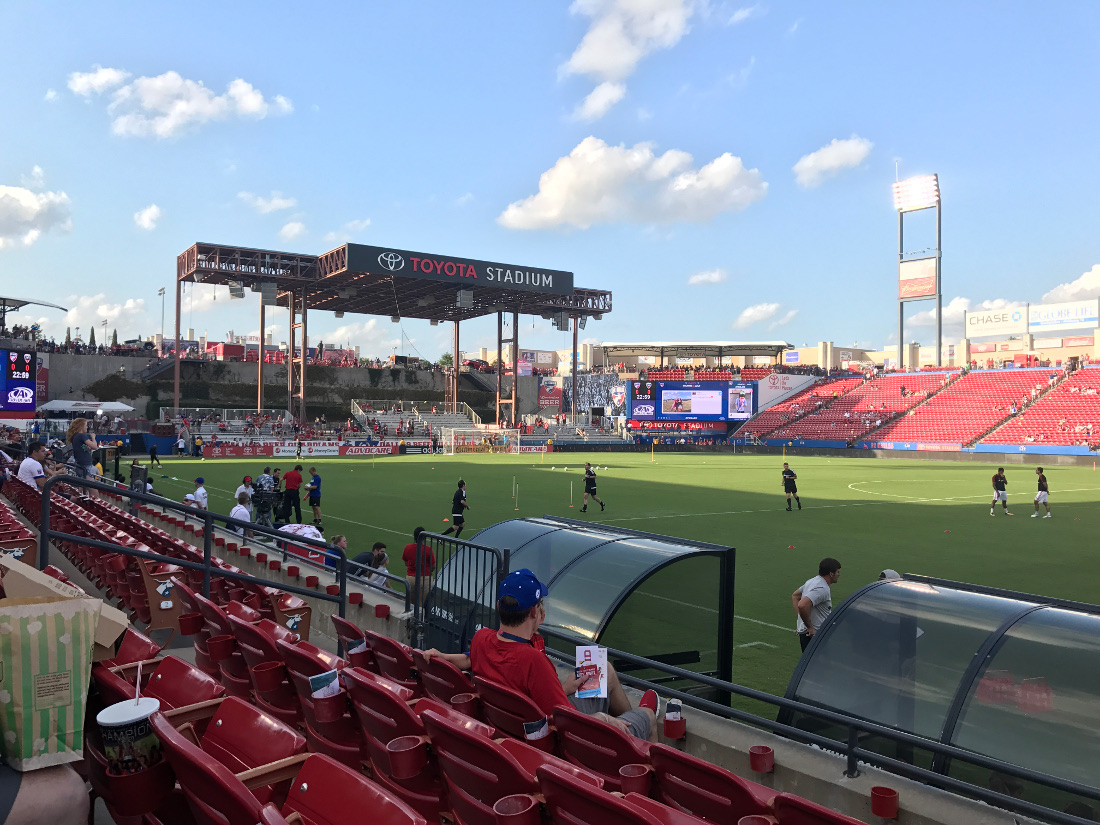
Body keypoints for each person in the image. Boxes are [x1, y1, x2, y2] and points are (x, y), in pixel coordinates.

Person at [420, 569, 659, 742]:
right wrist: (603, 719)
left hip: (520, 721)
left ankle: (627, 718)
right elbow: (567, 720)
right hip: (561, 734)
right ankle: (632, 730)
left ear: (498, 606)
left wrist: (443, 656)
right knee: (647, 714)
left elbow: (471, 659)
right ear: (535, 611)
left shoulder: (483, 639)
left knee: (601, 666)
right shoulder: (534, 661)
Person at [792, 557, 841, 652]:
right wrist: (809, 627)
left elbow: (795, 596)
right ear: (831, 574)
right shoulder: (821, 588)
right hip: (814, 636)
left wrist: (801, 623)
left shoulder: (812, 581)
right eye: (838, 572)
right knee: (817, 665)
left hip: (811, 635)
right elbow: (802, 605)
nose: (839, 574)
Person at [402, 526, 435, 606]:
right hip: (424, 578)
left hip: (410, 577)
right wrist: (428, 571)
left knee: (411, 603)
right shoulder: (428, 549)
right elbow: (433, 566)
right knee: (422, 603)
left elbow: (406, 562)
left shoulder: (408, 547)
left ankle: (410, 617)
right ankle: (419, 618)